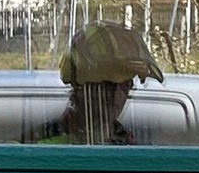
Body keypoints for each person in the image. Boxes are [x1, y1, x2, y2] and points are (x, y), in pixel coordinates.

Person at [28, 22, 164, 144]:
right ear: (80, 88)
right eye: (108, 85)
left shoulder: (126, 142)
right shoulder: (40, 146)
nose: (116, 96)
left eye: (124, 86)